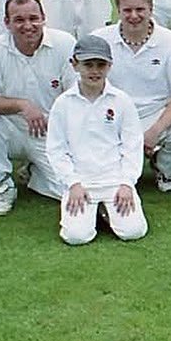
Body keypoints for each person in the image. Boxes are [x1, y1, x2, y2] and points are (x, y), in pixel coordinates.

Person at [0, 0, 76, 216]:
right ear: (7, 23)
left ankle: (34, 172)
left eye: (33, 18)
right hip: (9, 130)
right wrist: (22, 105)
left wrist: (60, 128)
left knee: (67, 190)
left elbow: (77, 95)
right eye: (19, 20)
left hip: (50, 131)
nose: (28, 25)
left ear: (43, 18)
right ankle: (2, 187)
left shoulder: (64, 43)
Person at [93, 0, 171, 192]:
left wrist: (155, 131)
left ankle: (164, 167)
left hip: (156, 115)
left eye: (140, 9)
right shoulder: (99, 40)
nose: (134, 16)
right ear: (118, 10)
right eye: (127, 10)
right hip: (113, 116)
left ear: (151, 9)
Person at [46, 34, 148, 244]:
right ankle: (93, 211)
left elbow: (132, 145)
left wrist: (127, 183)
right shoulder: (63, 104)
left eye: (100, 65)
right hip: (81, 182)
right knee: (76, 236)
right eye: (88, 64)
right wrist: (72, 183)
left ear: (110, 66)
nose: (94, 71)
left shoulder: (121, 101)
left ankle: (105, 211)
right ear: (75, 64)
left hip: (114, 180)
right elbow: (56, 149)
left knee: (133, 231)